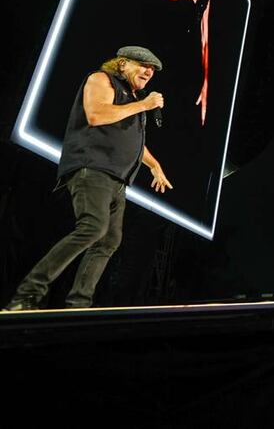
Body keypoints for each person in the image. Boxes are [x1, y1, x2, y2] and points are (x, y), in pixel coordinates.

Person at [4, 47, 171, 310]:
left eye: (152, 70)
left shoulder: (132, 99)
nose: (149, 71)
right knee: (93, 227)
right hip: (93, 168)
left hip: (118, 179)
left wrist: (154, 165)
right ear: (123, 63)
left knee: (109, 240)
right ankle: (27, 295)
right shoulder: (101, 79)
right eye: (143, 65)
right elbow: (97, 115)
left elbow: (133, 140)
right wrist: (144, 105)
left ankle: (78, 305)